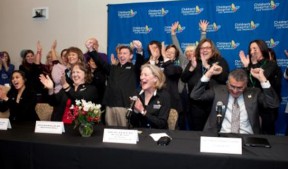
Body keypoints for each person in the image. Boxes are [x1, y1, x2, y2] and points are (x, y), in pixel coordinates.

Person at [191, 67, 279, 134]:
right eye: (232, 86)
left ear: (246, 85)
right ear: (227, 82)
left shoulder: (254, 93)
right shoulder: (218, 90)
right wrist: (208, 74)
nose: (235, 91)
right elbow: (195, 96)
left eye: (240, 88)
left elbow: (273, 104)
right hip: (221, 136)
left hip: (247, 136)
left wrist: (263, 80)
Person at [86, 40, 144, 127]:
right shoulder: (112, 68)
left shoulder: (134, 69)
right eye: (120, 53)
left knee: (124, 132)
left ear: (131, 56)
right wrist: (91, 49)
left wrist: (139, 49)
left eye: (125, 53)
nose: (122, 55)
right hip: (110, 105)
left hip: (125, 105)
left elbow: (140, 62)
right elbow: (100, 62)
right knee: (110, 131)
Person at [181, 38, 229, 131]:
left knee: (213, 130)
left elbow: (224, 78)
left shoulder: (220, 60)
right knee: (197, 131)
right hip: (196, 104)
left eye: (207, 47)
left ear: (212, 49)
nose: (205, 50)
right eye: (202, 48)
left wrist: (207, 66)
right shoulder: (195, 61)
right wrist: (192, 67)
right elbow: (183, 79)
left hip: (214, 103)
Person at [171, 20, 208, 130]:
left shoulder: (199, 61)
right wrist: (173, 33)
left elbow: (201, 44)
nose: (189, 53)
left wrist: (203, 31)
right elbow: (177, 47)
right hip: (184, 93)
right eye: (187, 52)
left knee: (197, 116)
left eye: (191, 51)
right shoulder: (183, 61)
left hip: (197, 92)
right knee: (186, 115)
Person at [239, 40, 280, 135]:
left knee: (266, 135)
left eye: (255, 49)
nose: (252, 51)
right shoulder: (250, 65)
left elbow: (261, 76)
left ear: (262, 49)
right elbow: (247, 84)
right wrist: (246, 67)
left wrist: (253, 64)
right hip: (253, 105)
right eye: (250, 49)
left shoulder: (271, 64)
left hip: (267, 106)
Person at [130, 64, 171, 129]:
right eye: (141, 74)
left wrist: (143, 112)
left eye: (145, 75)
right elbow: (133, 123)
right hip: (140, 134)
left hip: (157, 135)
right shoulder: (137, 94)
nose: (141, 77)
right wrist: (136, 111)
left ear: (155, 79)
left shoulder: (164, 96)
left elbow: (161, 124)